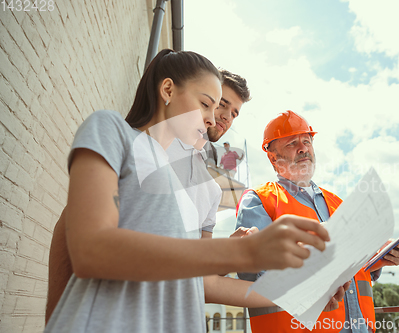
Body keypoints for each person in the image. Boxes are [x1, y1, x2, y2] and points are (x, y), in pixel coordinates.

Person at [44, 51, 335, 333]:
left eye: (228, 111)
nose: (214, 119)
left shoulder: (200, 190)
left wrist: (301, 292)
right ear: (168, 90)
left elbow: (202, 282)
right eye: (209, 104)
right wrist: (241, 252)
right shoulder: (113, 131)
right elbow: (89, 249)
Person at [45, 68, 251, 323]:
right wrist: (56, 318)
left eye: (234, 113)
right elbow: (74, 228)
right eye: (220, 104)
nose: (224, 116)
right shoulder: (142, 143)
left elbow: (198, 275)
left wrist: (235, 252)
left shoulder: (211, 190)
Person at [235, 110, 399, 333]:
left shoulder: (337, 202)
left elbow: (352, 266)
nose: (303, 148)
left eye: (307, 141)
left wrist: (381, 256)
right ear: (273, 158)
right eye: (292, 143)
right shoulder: (259, 200)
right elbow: (255, 270)